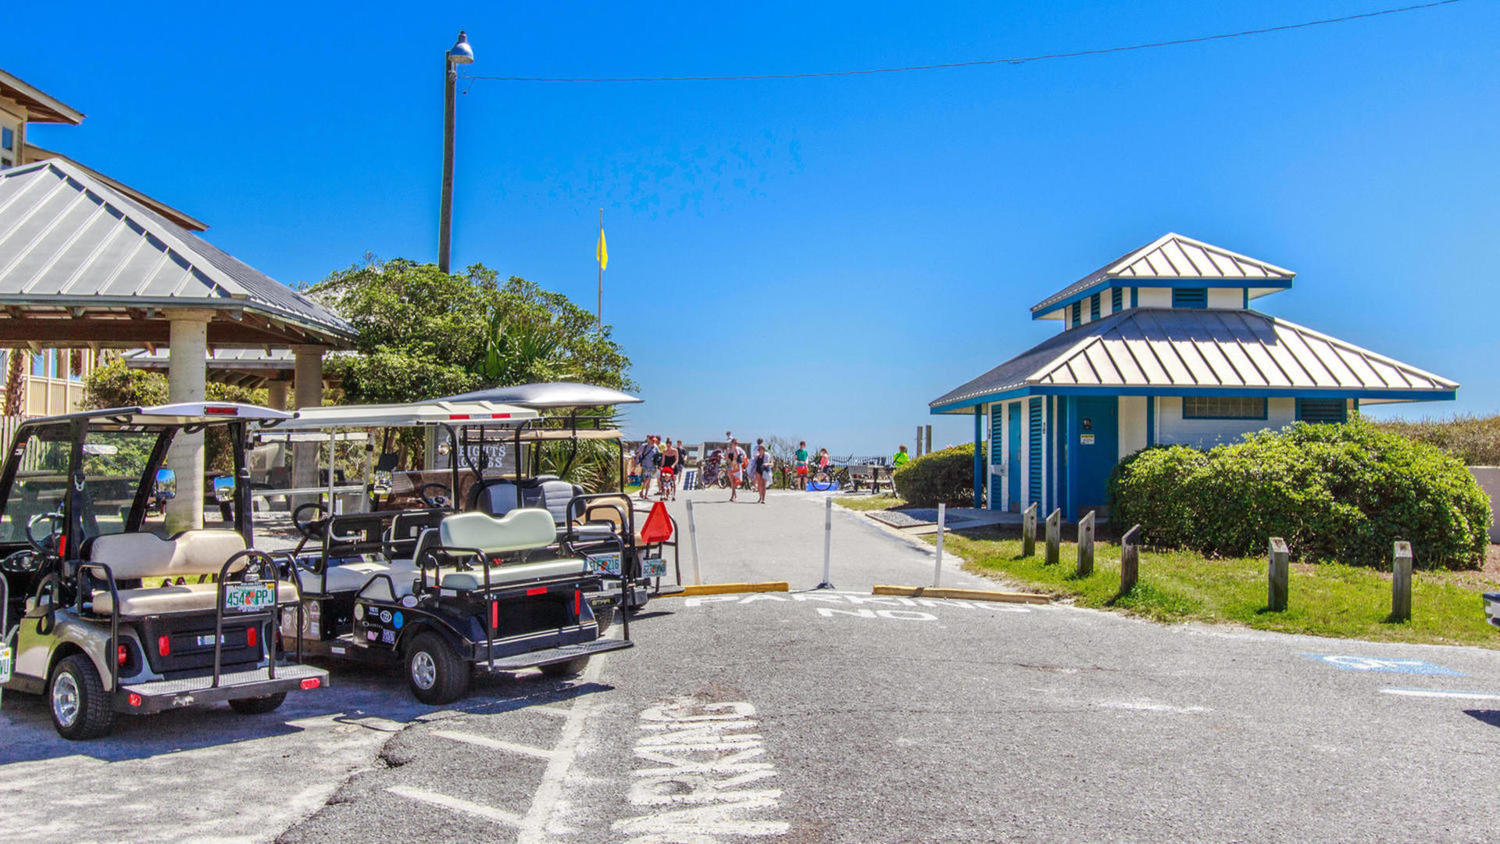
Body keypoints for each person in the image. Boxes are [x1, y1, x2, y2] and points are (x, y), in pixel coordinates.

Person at [638, 435, 661, 500]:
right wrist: (636, 462)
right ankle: (642, 491)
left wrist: (658, 464)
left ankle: (645, 494)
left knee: (649, 480)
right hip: (645, 465)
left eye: (654, 441)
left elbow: (658, 456)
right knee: (646, 479)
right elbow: (639, 454)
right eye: (652, 440)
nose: (653, 442)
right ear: (649, 440)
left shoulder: (656, 447)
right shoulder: (644, 446)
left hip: (652, 466)